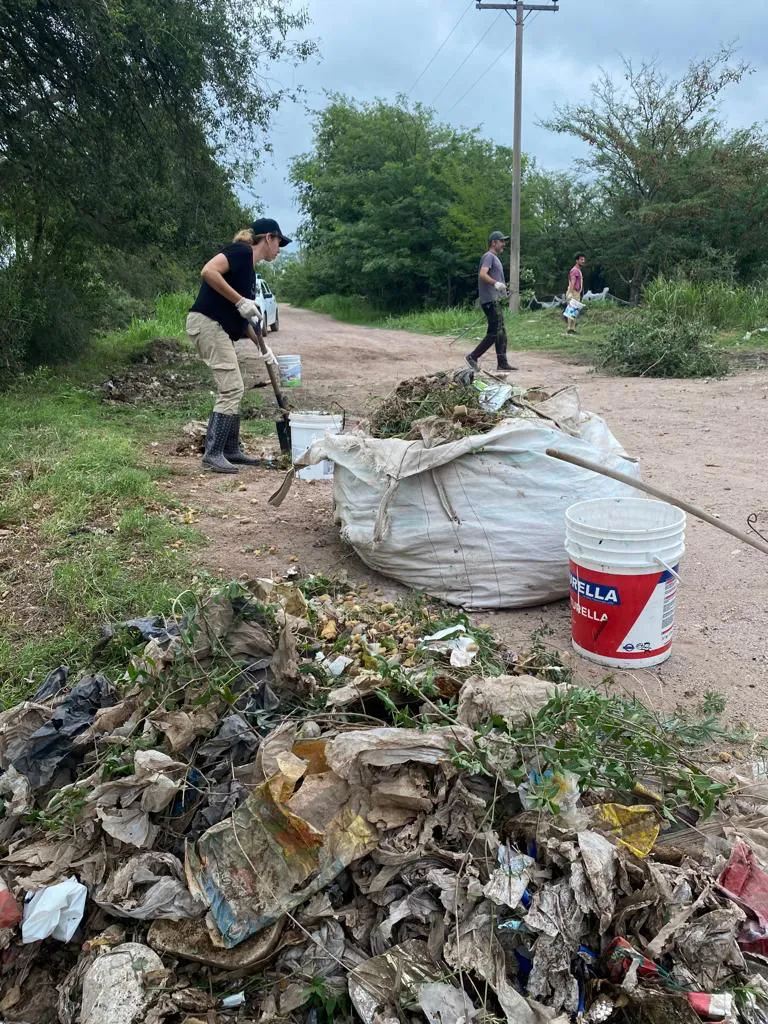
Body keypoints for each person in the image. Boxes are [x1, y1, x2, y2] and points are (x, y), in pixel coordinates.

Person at [187, 217, 291, 473]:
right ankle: (213, 454)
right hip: (208, 324)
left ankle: (230, 450)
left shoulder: (249, 272)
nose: (280, 248)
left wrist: (264, 350)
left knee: (235, 387)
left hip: (218, 327)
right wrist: (240, 300)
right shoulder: (241, 251)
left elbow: (245, 317)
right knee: (232, 388)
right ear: (268, 237)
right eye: (279, 242)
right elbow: (208, 271)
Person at [466, 230, 515, 373]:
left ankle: (502, 363)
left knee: (501, 332)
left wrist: (502, 289)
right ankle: (473, 356)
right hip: (489, 301)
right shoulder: (488, 256)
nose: (503, 244)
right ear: (494, 242)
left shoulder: (495, 258)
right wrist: (495, 284)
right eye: (501, 241)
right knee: (494, 332)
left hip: (495, 300)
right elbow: (482, 274)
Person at [565, 252, 586, 335]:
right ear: (577, 260)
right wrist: (570, 293)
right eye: (581, 259)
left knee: (575, 311)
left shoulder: (578, 270)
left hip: (577, 292)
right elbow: (572, 282)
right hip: (573, 292)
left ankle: (573, 329)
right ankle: (569, 329)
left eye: (584, 259)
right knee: (571, 311)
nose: (583, 261)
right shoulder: (574, 271)